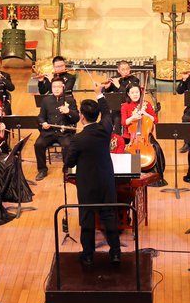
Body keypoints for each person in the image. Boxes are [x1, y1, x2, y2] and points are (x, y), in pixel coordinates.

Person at [63, 92, 121, 266]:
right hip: (106, 181)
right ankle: (115, 254)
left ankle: (88, 255)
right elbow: (107, 113)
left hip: (87, 184)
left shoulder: (78, 139)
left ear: (82, 116)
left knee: (87, 217)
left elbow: (70, 162)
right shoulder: (106, 129)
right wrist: (100, 94)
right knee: (109, 216)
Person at [121, 83, 166, 186]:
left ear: (140, 93)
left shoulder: (147, 104)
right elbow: (124, 122)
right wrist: (133, 118)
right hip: (131, 136)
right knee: (128, 151)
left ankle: (155, 177)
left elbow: (155, 120)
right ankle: (133, 176)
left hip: (145, 135)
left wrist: (145, 114)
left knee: (156, 148)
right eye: (132, 92)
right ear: (128, 94)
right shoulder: (125, 106)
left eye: (137, 92)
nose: (135, 94)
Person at [34, 77, 78, 181]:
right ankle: (42, 170)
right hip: (49, 132)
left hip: (64, 133)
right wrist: (43, 123)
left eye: (59, 86)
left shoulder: (70, 100)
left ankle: (66, 168)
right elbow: (41, 116)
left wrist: (69, 112)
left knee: (68, 145)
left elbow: (76, 118)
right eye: (54, 87)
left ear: (63, 87)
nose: (56, 89)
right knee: (38, 144)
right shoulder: (46, 100)